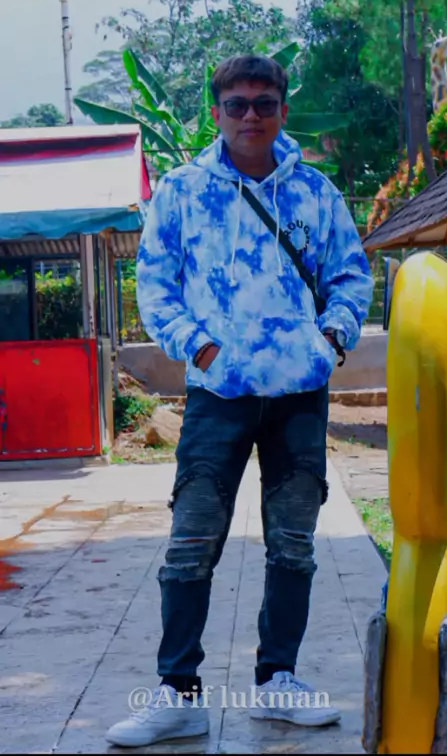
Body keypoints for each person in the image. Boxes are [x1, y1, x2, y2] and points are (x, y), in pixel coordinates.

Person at [106, 55, 373, 748]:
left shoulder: (315, 192)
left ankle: (278, 680)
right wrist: (199, 349)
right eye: (236, 104)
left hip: (299, 394)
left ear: (283, 109)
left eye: (264, 103)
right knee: (191, 542)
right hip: (218, 393)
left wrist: (329, 340)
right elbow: (156, 284)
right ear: (216, 112)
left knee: (293, 545)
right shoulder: (182, 191)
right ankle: (177, 693)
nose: (250, 115)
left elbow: (351, 275)